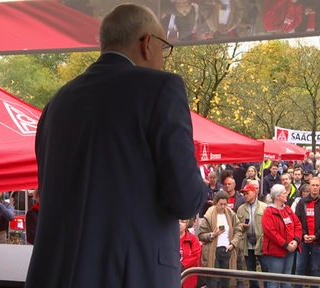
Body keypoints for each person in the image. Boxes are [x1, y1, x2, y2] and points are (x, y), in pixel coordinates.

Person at [25, 4, 206, 288]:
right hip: (130, 274)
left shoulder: (57, 103)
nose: (164, 59)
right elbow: (184, 199)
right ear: (148, 43)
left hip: (57, 273)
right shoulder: (161, 88)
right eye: (164, 48)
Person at [199, 190, 243, 288]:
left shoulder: (231, 214)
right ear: (215, 203)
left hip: (227, 250)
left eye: (225, 204)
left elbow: (238, 229)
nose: (223, 207)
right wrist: (212, 235)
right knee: (213, 282)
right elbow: (201, 235)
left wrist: (233, 244)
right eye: (221, 204)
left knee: (226, 282)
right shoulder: (209, 215)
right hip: (213, 251)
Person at [261, 184, 302, 288]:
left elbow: (297, 224)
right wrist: (285, 244)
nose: (286, 194)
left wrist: (296, 241)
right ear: (277, 196)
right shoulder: (268, 212)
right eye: (284, 193)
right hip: (276, 252)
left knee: (287, 280)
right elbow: (271, 232)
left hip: (290, 250)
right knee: (274, 281)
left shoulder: (287, 209)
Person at [294, 177, 320, 286]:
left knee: (315, 269)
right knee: (300, 267)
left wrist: (316, 236)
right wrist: (304, 234)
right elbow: (297, 220)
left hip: (318, 241)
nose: (315, 188)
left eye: (317, 185)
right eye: (313, 185)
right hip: (303, 241)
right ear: (309, 186)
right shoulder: (302, 202)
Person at [236, 184, 268, 288]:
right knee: (250, 270)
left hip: (261, 243)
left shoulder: (264, 207)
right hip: (247, 243)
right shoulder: (241, 209)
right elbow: (236, 226)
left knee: (265, 269)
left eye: (247, 193)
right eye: (244, 194)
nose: (245, 195)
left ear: (255, 193)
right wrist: (242, 226)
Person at [179, 219, 201, 288]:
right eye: (177, 221)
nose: (179, 224)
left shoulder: (193, 239)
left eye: (182, 221)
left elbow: (196, 255)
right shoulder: (168, 238)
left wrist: (182, 265)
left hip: (188, 280)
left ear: (187, 224)